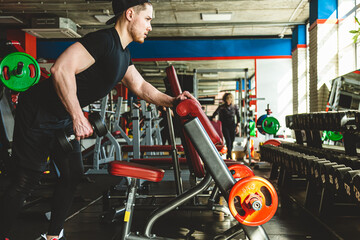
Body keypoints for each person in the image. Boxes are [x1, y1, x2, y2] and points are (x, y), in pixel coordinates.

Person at [0, 1, 195, 240]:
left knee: (72, 175)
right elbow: (61, 69)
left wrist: (173, 101)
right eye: (148, 19)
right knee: (25, 180)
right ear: (130, 14)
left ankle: (53, 235)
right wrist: (77, 115)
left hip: (60, 119)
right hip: (38, 112)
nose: (150, 27)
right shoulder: (103, 41)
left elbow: (141, 86)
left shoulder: (123, 54)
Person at [211, 93, 240, 159]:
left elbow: (238, 117)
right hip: (225, 126)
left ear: (231, 100)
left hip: (232, 125)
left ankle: (229, 153)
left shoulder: (235, 107)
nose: (228, 102)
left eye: (229, 100)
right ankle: (229, 155)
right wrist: (214, 118)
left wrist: (237, 126)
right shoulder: (222, 107)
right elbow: (214, 114)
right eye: (226, 100)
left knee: (232, 141)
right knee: (228, 141)